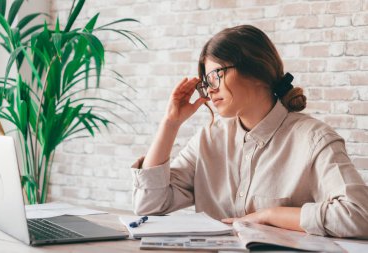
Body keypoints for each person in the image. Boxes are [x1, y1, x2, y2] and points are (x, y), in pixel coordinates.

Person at [131, 25, 368, 238]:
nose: (209, 90)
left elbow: (358, 215)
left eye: (216, 76)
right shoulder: (208, 139)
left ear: (256, 71)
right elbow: (148, 205)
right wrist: (170, 123)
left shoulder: (314, 139)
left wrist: (270, 216)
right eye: (206, 81)